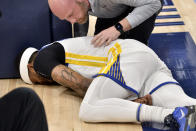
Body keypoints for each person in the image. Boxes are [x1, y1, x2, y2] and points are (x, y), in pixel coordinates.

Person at [19, 37, 196, 131]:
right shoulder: (60, 48)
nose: (45, 83)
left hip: (125, 57)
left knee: (88, 108)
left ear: (31, 67)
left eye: (38, 80)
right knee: (188, 106)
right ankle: (183, 111)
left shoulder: (42, 60)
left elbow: (83, 85)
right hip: (143, 60)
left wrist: (124, 104)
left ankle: (167, 115)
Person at [48, 0, 162, 46]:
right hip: (114, 5)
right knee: (100, 45)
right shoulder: (78, 5)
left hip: (147, 2)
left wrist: (117, 28)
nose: (71, 21)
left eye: (70, 15)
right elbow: (79, 14)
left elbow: (154, 3)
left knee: (133, 48)